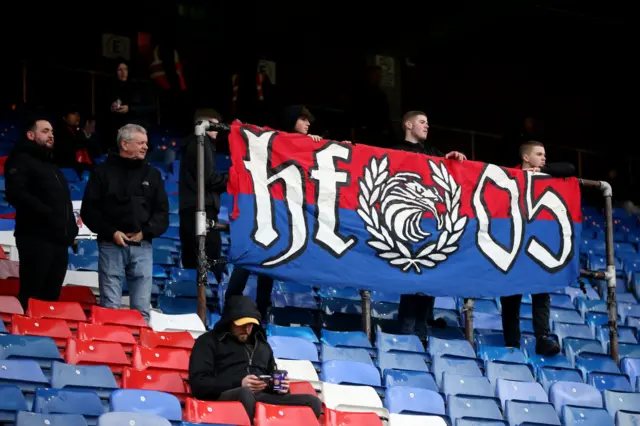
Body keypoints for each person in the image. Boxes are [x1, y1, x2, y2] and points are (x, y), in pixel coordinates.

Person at [81, 124, 169, 321]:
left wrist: (145, 232)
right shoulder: (102, 172)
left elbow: (162, 213)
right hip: (110, 244)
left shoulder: (152, 174)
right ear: (125, 144)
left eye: (146, 143)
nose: (145, 147)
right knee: (109, 308)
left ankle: (139, 348)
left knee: (141, 312)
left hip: (143, 246)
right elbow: (89, 210)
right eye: (140, 143)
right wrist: (112, 232)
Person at [189, 295, 322, 422]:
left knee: (312, 402)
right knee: (245, 393)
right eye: (241, 325)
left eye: (250, 325)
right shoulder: (208, 341)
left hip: (262, 397)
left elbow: (271, 378)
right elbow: (199, 384)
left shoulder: (263, 346)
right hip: (224, 398)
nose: (247, 329)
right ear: (229, 322)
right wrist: (239, 383)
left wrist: (280, 387)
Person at [392, 111, 467, 335]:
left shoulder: (434, 153)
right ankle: (407, 334)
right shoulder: (394, 151)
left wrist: (453, 160)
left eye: (428, 123)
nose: (427, 126)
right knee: (411, 279)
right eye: (422, 122)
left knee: (429, 279)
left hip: (432, 225)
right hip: (405, 227)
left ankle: (422, 334)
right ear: (408, 124)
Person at [501, 140, 574, 356]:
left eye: (545, 154)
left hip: (538, 242)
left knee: (541, 292)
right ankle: (512, 344)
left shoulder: (547, 174)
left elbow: (570, 168)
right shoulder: (507, 175)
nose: (544, 158)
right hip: (514, 242)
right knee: (511, 295)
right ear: (525, 157)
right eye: (539, 154)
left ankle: (542, 338)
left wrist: (543, 170)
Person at [4, 118, 78, 309]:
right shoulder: (20, 159)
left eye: (52, 131)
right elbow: (16, 194)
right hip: (35, 237)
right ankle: (26, 335)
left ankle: (45, 336)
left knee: (51, 297)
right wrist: (48, 214)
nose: (51, 135)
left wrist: (70, 230)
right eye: (45, 131)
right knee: (32, 295)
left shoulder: (51, 164)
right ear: (31, 135)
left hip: (59, 241)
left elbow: (63, 202)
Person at [179, 108, 227, 280]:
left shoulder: (198, 144)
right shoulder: (200, 143)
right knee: (208, 265)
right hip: (199, 210)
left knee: (199, 266)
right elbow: (210, 179)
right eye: (215, 125)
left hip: (193, 210)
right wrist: (234, 179)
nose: (219, 130)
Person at [53, 106, 100, 173]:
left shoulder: (78, 131)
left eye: (78, 114)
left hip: (81, 167)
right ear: (64, 117)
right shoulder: (60, 132)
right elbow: (67, 153)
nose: (77, 116)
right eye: (73, 114)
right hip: (68, 169)